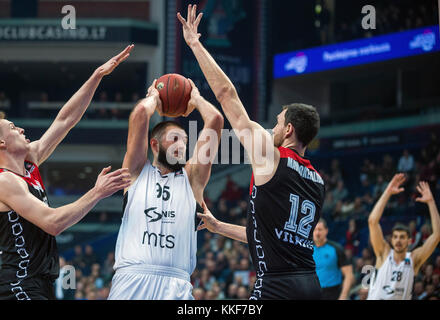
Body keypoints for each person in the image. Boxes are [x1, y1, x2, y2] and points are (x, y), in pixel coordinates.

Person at [179, 4, 324, 300]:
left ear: (289, 131)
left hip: (276, 285)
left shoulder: (272, 156)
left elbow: (227, 95)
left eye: (277, 123)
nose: (271, 128)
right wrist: (218, 227)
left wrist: (195, 44)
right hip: (310, 285)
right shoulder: (318, 181)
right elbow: (272, 238)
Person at [0, 45, 134, 300]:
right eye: (13, 128)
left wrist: (96, 77)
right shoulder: (5, 181)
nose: (21, 129)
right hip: (18, 284)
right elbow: (53, 223)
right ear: (1, 144)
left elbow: (65, 120)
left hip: (40, 283)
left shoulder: (30, 162)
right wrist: (97, 192)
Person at [107, 77, 223, 300]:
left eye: (185, 140)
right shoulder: (137, 172)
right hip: (132, 280)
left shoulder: (192, 179)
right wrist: (154, 98)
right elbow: (140, 113)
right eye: (174, 139)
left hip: (176, 284)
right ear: (155, 144)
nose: (182, 145)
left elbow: (215, 119)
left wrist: (196, 98)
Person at [367, 174, 440, 300]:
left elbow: (437, 235)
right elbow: (372, 221)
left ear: (409, 241)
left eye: (402, 237)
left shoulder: (414, 259)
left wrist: (431, 202)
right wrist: (388, 192)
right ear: (392, 240)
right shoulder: (384, 253)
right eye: (395, 237)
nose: (398, 240)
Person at [313, 219, 354, 300]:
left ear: (326, 231)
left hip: (333, 294)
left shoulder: (336, 248)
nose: (317, 233)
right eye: (315, 230)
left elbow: (349, 274)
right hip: (313, 293)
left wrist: (343, 296)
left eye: (320, 229)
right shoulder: (307, 249)